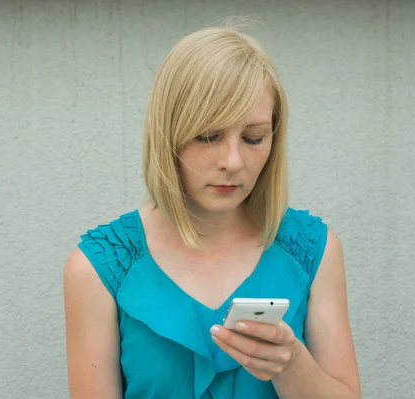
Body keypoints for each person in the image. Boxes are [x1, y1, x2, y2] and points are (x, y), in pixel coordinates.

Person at [63, 24, 361, 399]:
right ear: (167, 132)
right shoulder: (99, 266)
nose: (233, 161)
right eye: (208, 136)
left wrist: (291, 365)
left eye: (254, 138)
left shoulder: (314, 250)